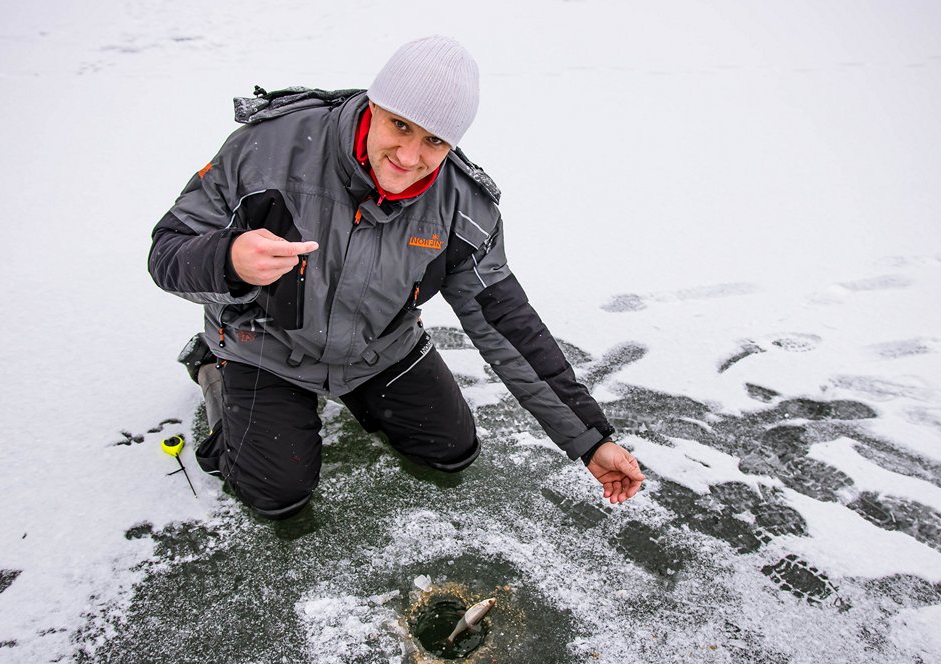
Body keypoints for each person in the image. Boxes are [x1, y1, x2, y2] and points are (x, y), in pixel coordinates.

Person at [149, 36, 645, 520]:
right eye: (400, 125)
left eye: (434, 140)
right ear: (374, 104)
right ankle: (211, 369)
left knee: (453, 450)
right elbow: (167, 251)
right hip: (263, 345)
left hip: (376, 350)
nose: (409, 157)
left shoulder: (462, 205)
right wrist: (229, 259)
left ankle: (355, 394)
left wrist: (590, 440)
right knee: (276, 493)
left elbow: (505, 323)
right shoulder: (268, 148)